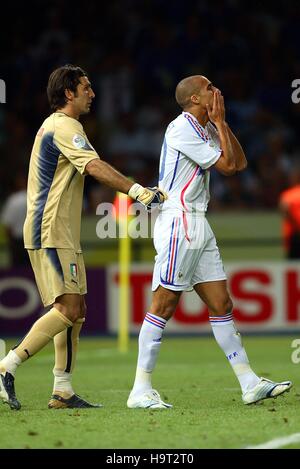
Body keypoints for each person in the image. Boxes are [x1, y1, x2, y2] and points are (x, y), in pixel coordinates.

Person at [0, 64, 166, 410]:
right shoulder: (63, 125)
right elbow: (93, 166)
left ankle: (62, 389)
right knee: (68, 306)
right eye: (86, 87)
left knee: (76, 311)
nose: (92, 93)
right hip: (49, 229)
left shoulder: (63, 126)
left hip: (62, 231)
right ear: (68, 93)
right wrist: (138, 191)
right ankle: (7, 366)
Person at [127, 75, 292, 409]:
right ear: (194, 100)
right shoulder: (182, 128)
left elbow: (240, 163)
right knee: (164, 304)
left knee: (221, 303)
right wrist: (219, 122)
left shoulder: (205, 128)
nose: (217, 91)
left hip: (198, 223)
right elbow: (229, 166)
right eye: (209, 88)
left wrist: (221, 124)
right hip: (180, 221)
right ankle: (140, 389)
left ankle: (249, 383)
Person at [1, 172, 29, 267]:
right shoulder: (35, 198)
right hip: (34, 240)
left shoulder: (12, 200)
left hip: (18, 242)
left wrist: (10, 242)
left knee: (18, 269)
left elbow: (7, 225)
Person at [279, 167, 300, 259]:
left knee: (293, 265)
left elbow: (285, 212)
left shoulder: (288, 195)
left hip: (293, 235)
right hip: (293, 234)